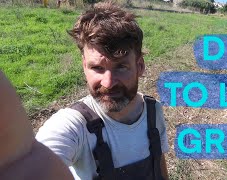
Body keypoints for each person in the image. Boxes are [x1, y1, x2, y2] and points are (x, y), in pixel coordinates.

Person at [35, 2, 169, 180]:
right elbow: (37, 165)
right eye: (97, 68)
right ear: (84, 66)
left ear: (140, 66)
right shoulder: (74, 126)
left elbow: (159, 163)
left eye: (121, 67)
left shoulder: (153, 112)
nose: (108, 83)